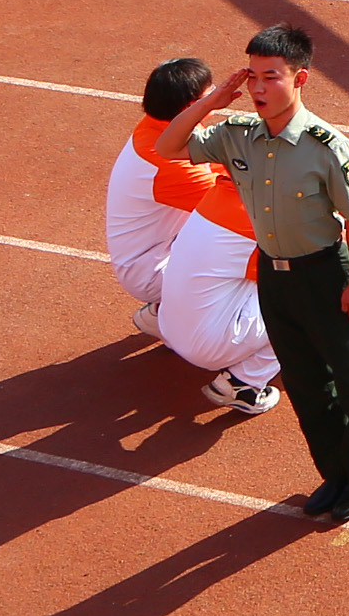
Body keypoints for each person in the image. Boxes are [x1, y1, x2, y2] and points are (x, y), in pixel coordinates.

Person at [163, 23, 349, 529]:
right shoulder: (235, 133)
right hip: (274, 273)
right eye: (252, 78)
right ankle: (333, 472)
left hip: (326, 272)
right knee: (306, 380)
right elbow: (169, 144)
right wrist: (216, 100)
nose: (258, 89)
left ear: (300, 79)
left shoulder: (327, 147)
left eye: (272, 77)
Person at [116, 56, 283, 414]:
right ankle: (245, 381)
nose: (220, 92)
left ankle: (165, 316)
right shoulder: (173, 168)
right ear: (192, 105)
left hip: (157, 252)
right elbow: (231, 196)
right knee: (290, 287)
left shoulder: (154, 132)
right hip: (154, 268)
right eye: (211, 91)